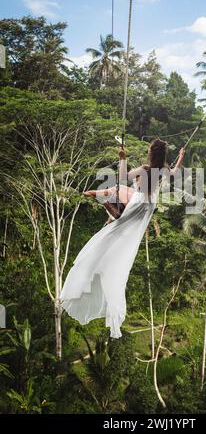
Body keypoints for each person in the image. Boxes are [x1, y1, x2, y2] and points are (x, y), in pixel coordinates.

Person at [60, 139, 185, 338]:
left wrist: (123, 159)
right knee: (116, 198)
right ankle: (108, 208)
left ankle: (108, 208)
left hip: (138, 204)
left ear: (151, 153)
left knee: (116, 201)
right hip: (148, 206)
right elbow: (174, 174)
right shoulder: (163, 168)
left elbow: (125, 176)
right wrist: (180, 157)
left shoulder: (145, 168)